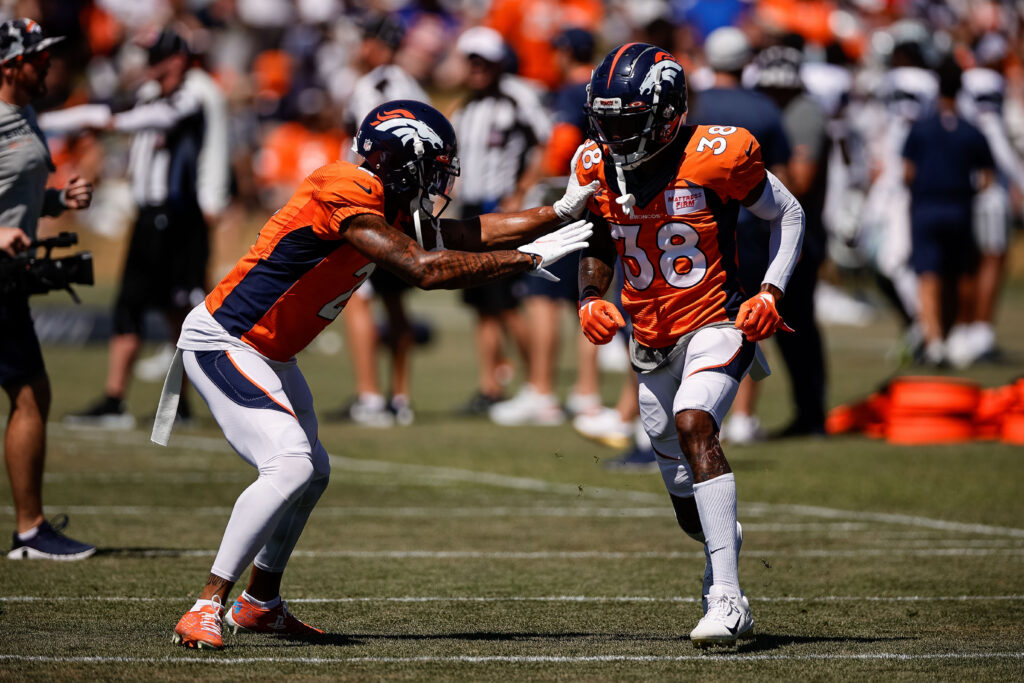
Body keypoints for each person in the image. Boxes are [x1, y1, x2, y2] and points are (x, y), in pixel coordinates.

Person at [151, 100, 594, 650]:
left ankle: (259, 604)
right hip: (226, 342)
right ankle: (206, 604)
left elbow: (462, 234)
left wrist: (560, 211)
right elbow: (423, 269)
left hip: (269, 353)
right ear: (400, 160)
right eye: (432, 168)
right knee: (289, 464)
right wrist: (527, 259)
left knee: (311, 473)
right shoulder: (345, 187)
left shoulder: (379, 198)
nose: (437, 182)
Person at [573, 44, 804, 647]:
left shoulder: (718, 153)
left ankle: (729, 600)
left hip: (717, 318)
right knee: (685, 499)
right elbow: (597, 235)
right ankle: (719, 548)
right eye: (607, 121)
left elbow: (790, 214)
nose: (615, 135)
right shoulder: (596, 164)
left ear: (667, 111)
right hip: (651, 338)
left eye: (628, 120)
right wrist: (591, 296)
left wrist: (772, 291)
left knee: (696, 421)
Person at [64, 29, 221, 428]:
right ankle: (119, 398)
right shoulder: (152, 94)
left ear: (177, 59)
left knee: (180, 309)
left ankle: (176, 404)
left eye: (157, 56)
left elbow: (191, 134)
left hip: (179, 215)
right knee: (133, 305)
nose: (149, 64)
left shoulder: (193, 95)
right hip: (150, 213)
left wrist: (212, 202)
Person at [0, 18, 95, 560]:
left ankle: (31, 529)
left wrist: (58, 201)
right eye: (37, 57)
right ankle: (31, 531)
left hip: (8, 279)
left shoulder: (27, 114)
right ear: (11, 64)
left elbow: (16, 192)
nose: (48, 64)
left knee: (30, 391)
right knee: (31, 392)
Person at [687, 27, 792, 445]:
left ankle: (699, 403)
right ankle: (743, 414)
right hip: (752, 227)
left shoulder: (697, 103)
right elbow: (787, 178)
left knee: (694, 320)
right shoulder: (764, 108)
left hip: (696, 232)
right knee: (748, 318)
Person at [333, 13, 431, 427]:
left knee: (360, 297)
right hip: (406, 206)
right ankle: (401, 396)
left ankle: (370, 396)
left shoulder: (367, 86)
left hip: (370, 201)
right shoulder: (414, 86)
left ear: (377, 43)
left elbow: (358, 145)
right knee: (395, 302)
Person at [449, 27, 552, 416]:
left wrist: (523, 190)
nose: (476, 68)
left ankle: (537, 387)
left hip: (501, 209)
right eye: (470, 60)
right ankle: (490, 385)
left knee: (507, 302)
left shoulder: (517, 96)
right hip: (470, 208)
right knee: (481, 303)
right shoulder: (466, 108)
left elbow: (546, 141)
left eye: (483, 60)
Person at [751, 45, 829, 437]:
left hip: (800, 237)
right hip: (776, 234)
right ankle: (808, 412)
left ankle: (812, 413)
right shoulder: (780, 112)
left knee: (797, 328)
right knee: (787, 330)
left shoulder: (803, 114)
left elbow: (799, 181)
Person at [902, 60, 994, 366]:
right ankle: (956, 335)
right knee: (958, 275)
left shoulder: (922, 127)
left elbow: (907, 172)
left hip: (927, 206)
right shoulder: (970, 129)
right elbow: (987, 178)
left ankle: (935, 340)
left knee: (928, 276)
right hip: (959, 207)